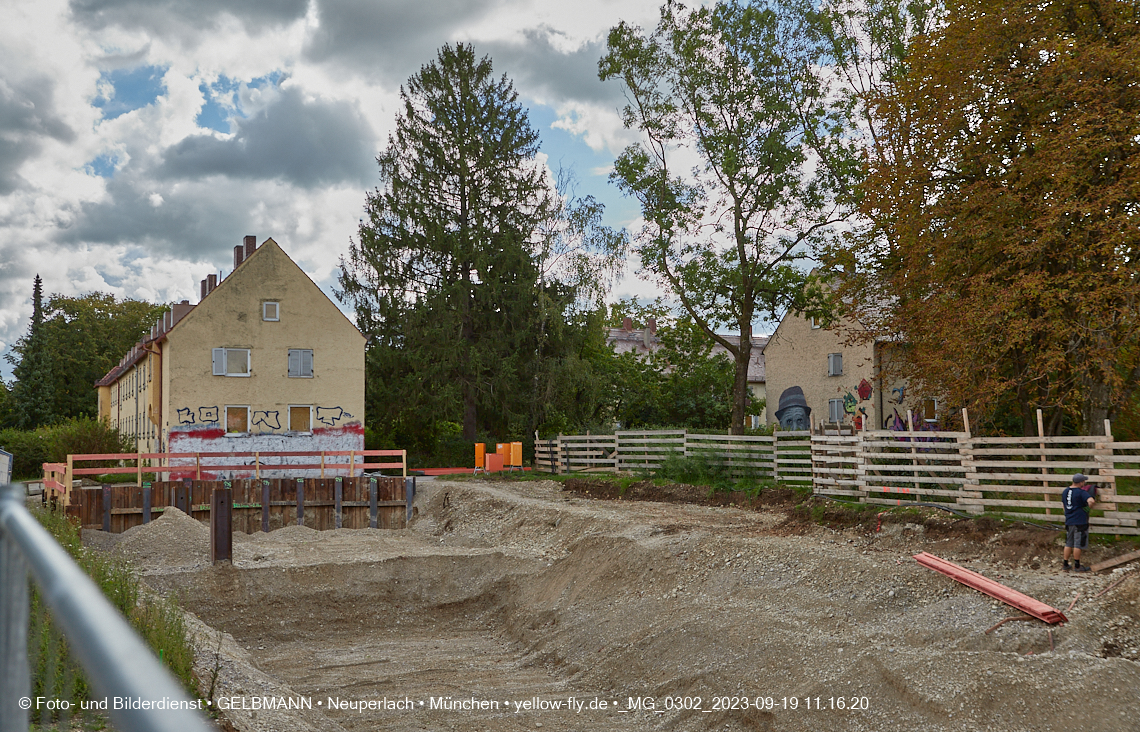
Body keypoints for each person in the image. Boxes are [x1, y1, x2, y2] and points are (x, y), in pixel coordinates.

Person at [1061, 473, 1096, 572]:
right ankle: (1077, 566)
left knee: (1069, 542)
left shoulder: (1065, 491)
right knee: (1078, 544)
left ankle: (1065, 564)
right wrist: (1087, 507)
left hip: (1069, 520)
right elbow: (1091, 501)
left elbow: (1063, 505)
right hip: (1080, 521)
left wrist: (1068, 514)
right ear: (1081, 482)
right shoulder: (1081, 492)